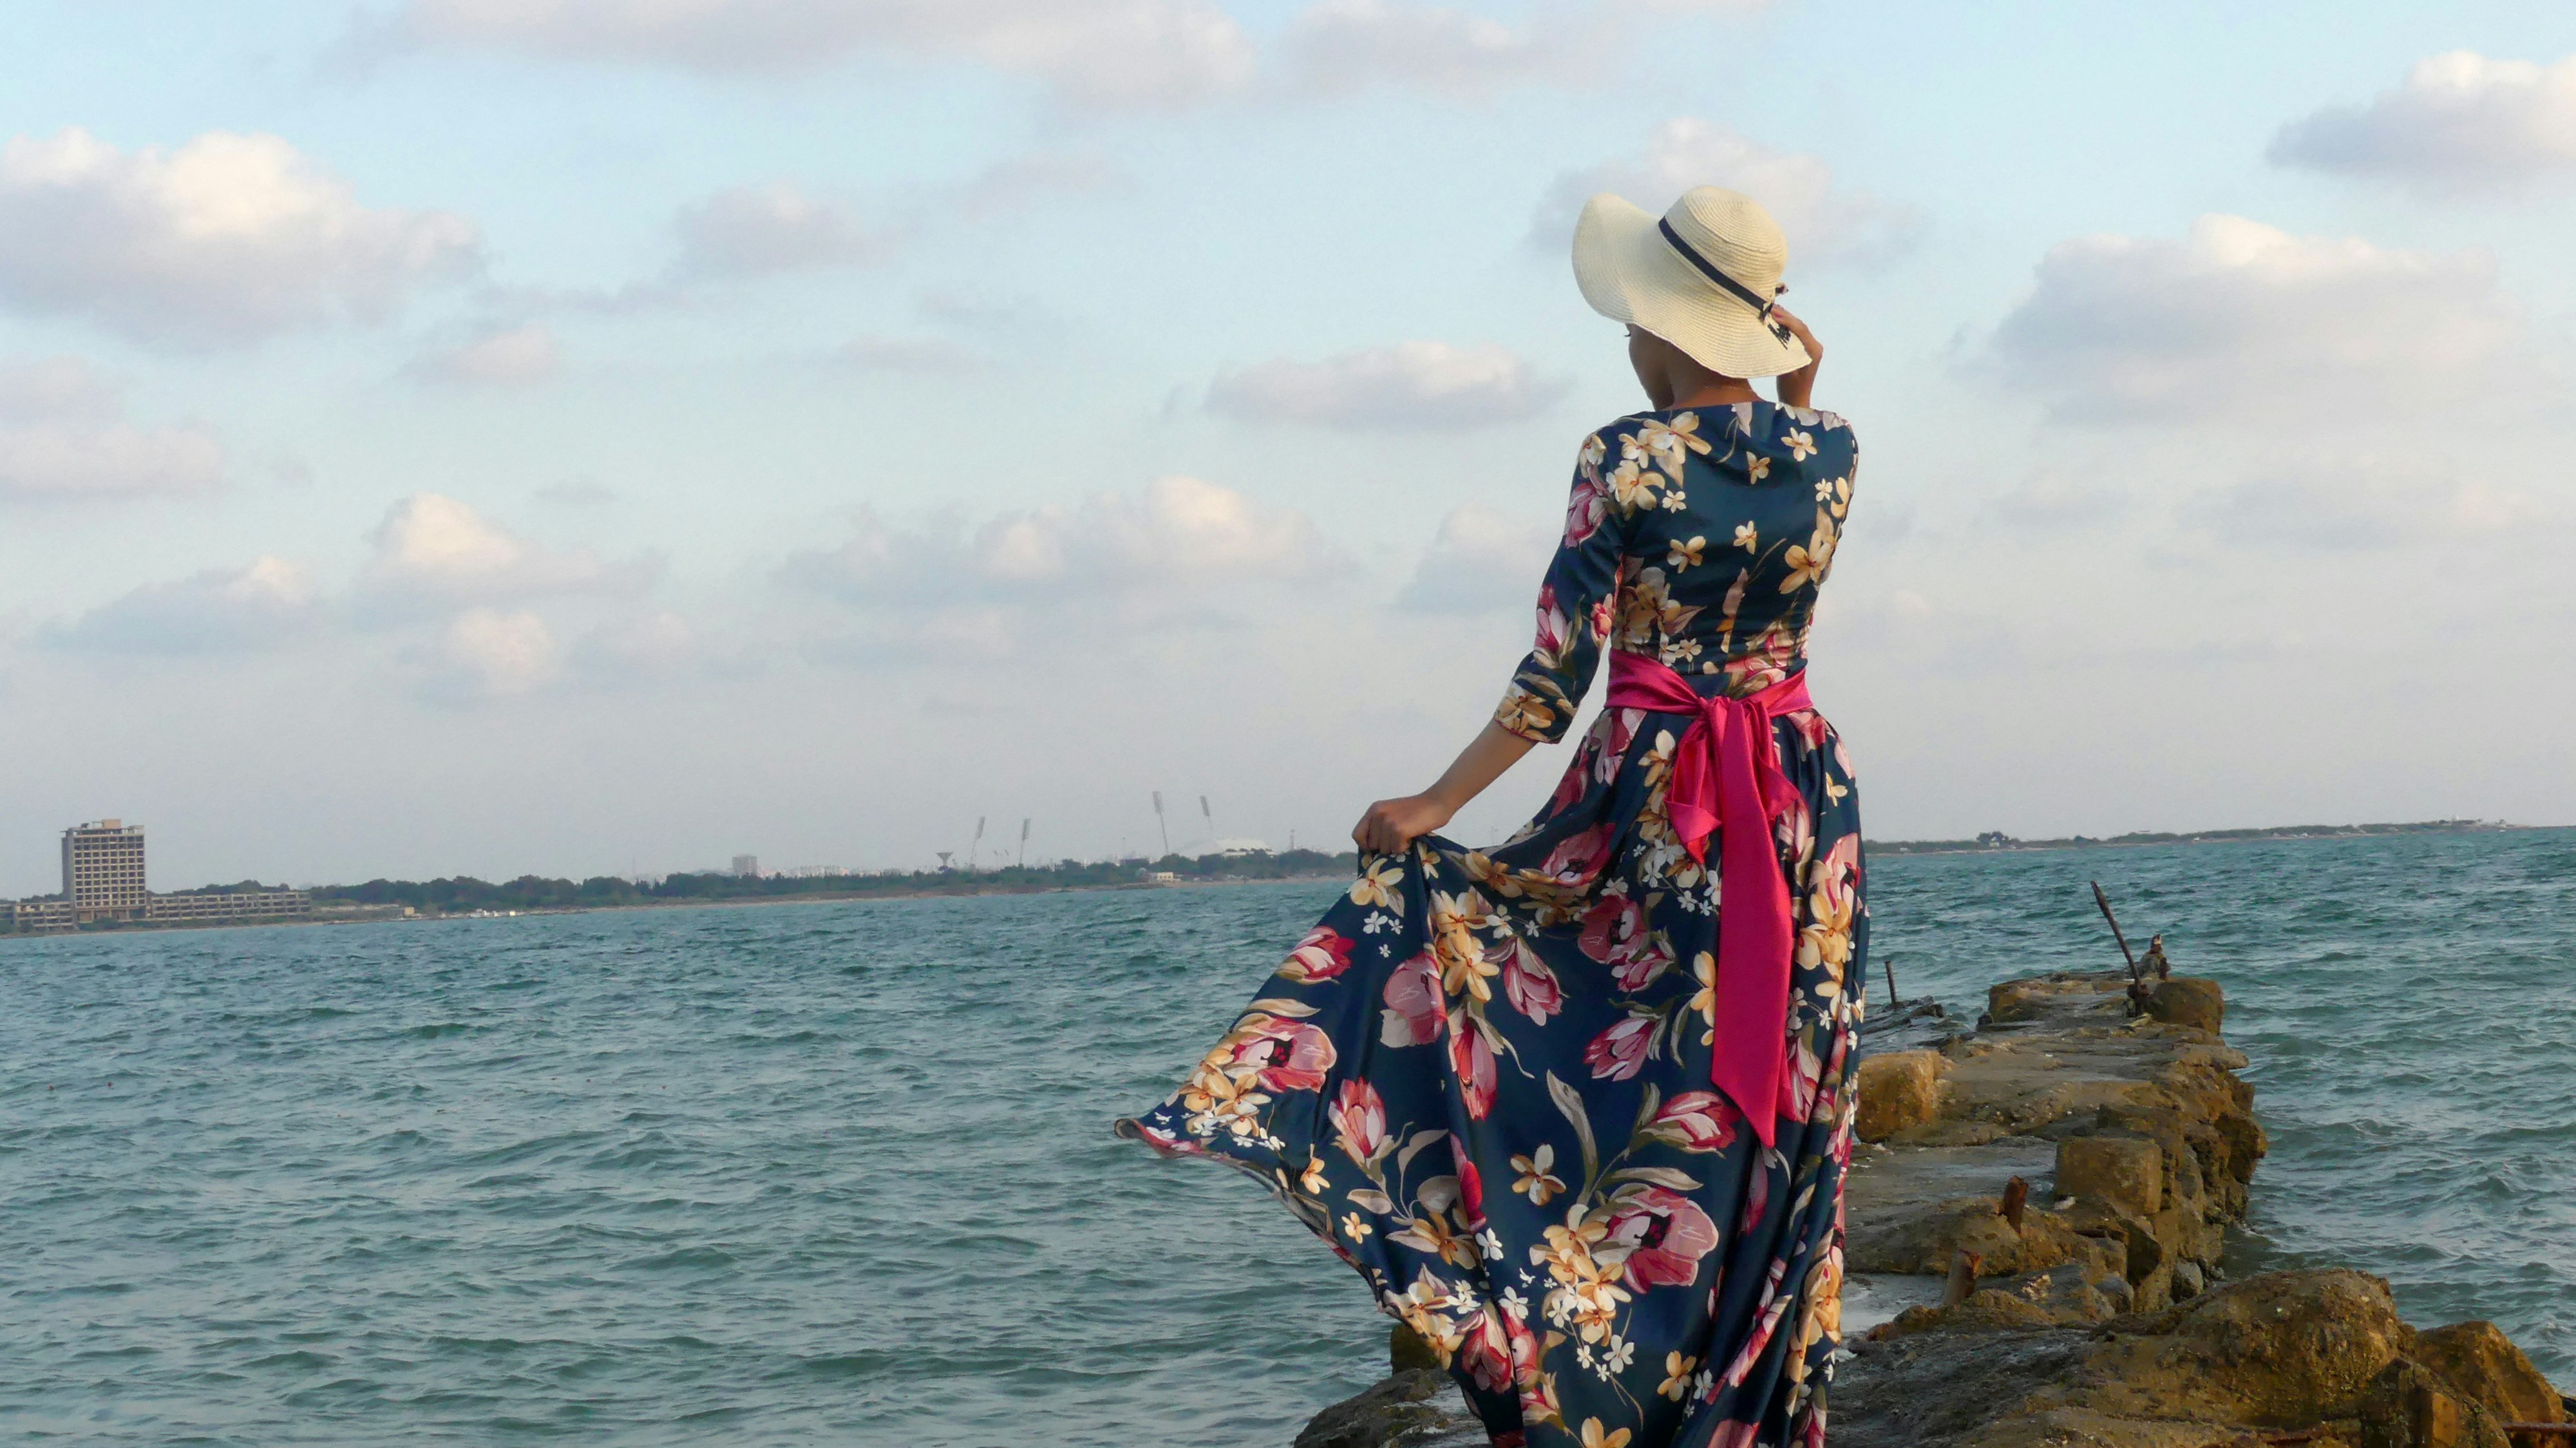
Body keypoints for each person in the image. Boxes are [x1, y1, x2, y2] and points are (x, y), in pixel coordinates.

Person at [1119, 186, 1867, 1448]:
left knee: (1601, 1070)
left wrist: (1433, 804)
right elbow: (1772, 490)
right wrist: (1794, 395)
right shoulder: (1832, 447)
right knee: (1765, 1102)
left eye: (1633, 321)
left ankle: (1581, 1366)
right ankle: (1742, 1400)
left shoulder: (1623, 458)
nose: (1626, 341)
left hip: (1658, 799)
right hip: (1800, 807)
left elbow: (1552, 682)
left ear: (1663, 329)